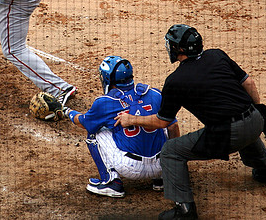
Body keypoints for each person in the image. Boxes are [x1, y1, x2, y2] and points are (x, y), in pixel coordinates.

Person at [115, 24, 266, 220]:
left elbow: (162, 122)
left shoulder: (176, 81)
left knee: (171, 151)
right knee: (242, 124)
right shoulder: (217, 55)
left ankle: (184, 210)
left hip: (228, 133)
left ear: (180, 49)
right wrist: (258, 111)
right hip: (256, 119)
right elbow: (249, 83)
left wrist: (131, 119)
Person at [63, 55, 180, 198]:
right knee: (165, 123)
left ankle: (111, 182)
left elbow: (83, 122)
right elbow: (173, 128)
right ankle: (161, 179)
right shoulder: (154, 94)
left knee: (95, 131)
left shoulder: (105, 102)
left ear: (108, 79)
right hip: (162, 165)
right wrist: (172, 163)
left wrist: (66, 111)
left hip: (130, 168)